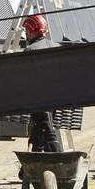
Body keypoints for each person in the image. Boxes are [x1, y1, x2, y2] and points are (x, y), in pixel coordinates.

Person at [22, 14, 64, 153]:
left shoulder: (30, 50)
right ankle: (35, 157)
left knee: (47, 129)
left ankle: (59, 161)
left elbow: (27, 78)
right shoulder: (56, 46)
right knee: (40, 130)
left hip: (39, 99)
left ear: (32, 30)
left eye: (27, 31)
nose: (26, 34)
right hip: (57, 98)